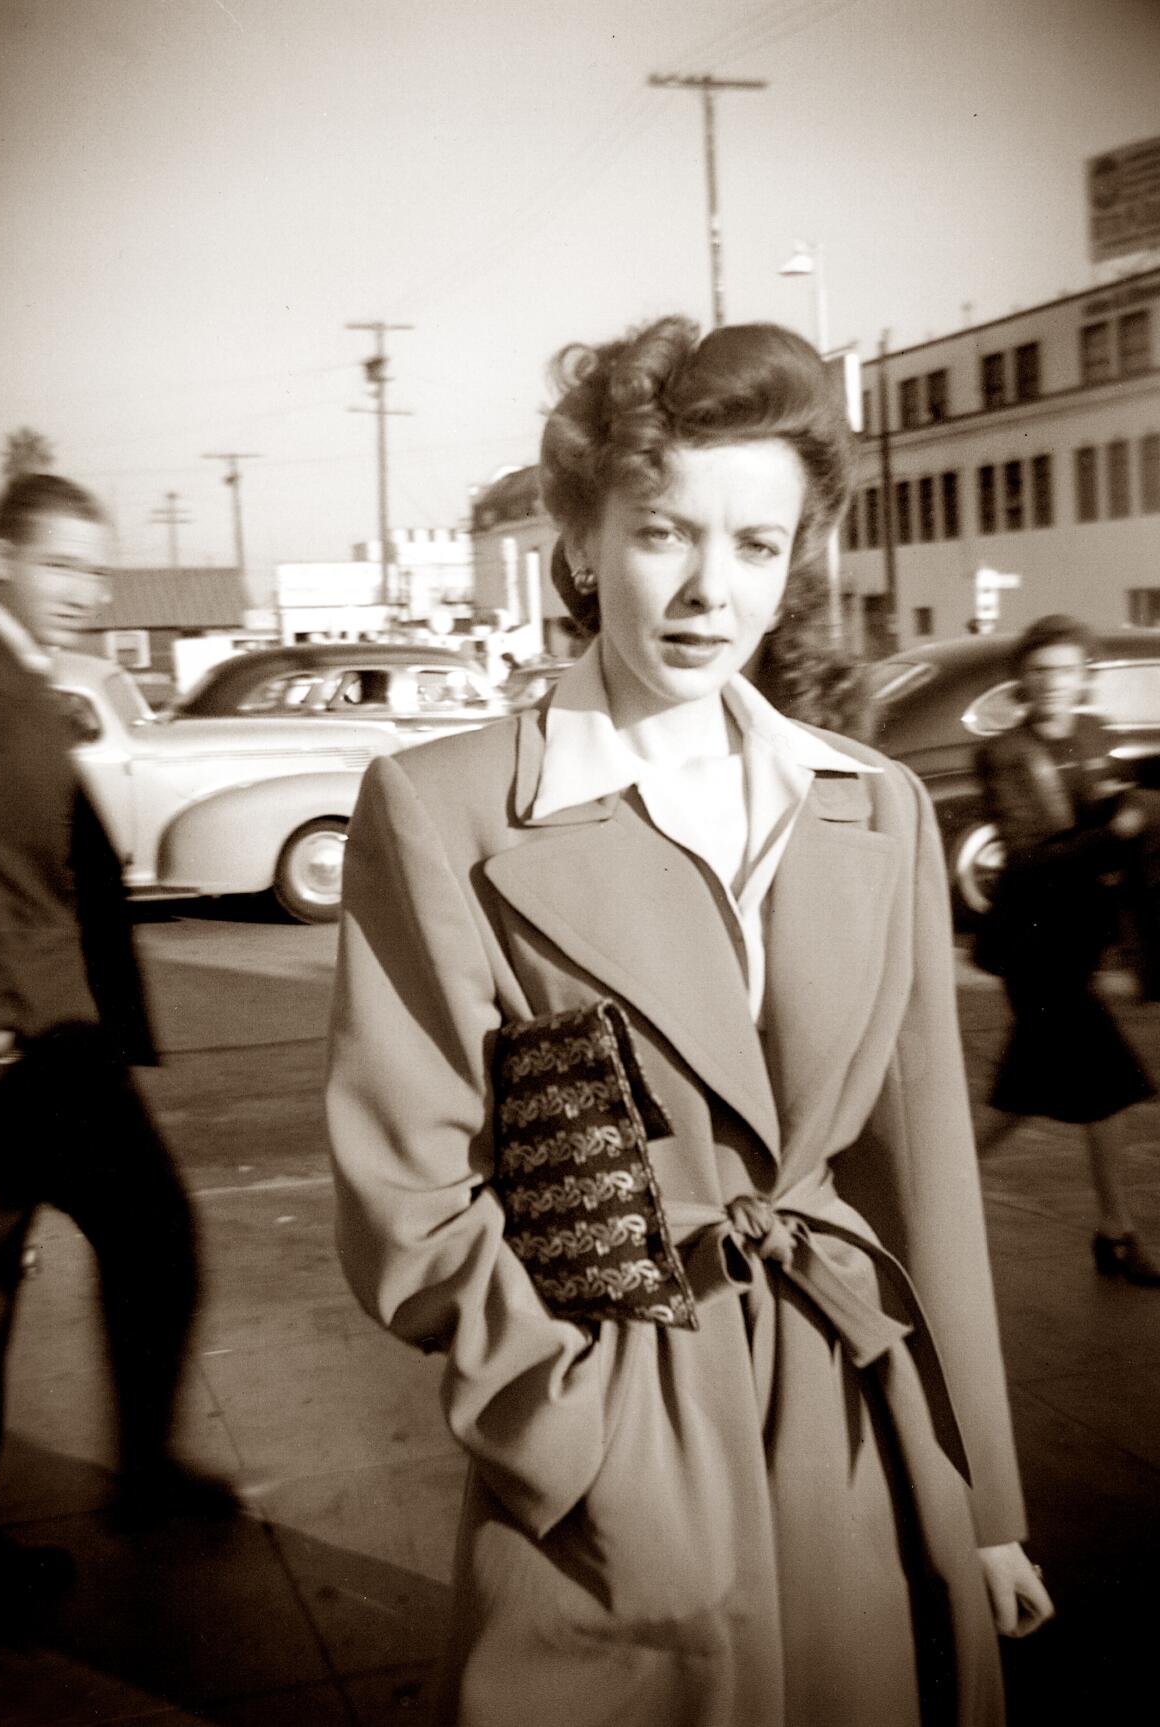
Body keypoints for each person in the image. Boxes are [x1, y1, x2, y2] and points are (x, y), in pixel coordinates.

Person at [327, 320, 1051, 1726]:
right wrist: (574, 1437)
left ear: (799, 559)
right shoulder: (449, 806)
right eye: (666, 532)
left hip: (857, 1419)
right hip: (621, 1438)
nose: (712, 590)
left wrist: (984, 1497)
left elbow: (921, 1179)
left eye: (759, 546)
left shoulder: (870, 802)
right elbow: (408, 1193)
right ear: (586, 540)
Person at [0, 473, 236, 1624]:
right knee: (142, 1237)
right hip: (21, 1045)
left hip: (28, 1034)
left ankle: (134, 1471)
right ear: (2, 557)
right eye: (62, 563)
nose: (84, 589)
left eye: (94, 566)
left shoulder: (8, 673)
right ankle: (140, 1471)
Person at [975, 613, 1160, 1285]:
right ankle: (1116, 1234)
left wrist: (1123, 808)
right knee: (1097, 1086)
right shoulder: (1004, 754)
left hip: (1074, 945)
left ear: (1083, 676)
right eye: (1038, 670)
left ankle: (1113, 1233)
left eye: (1064, 670)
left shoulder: (1093, 734)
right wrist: (1118, 832)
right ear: (1022, 680)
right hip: (1035, 948)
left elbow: (1103, 806)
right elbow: (1026, 862)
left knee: (1033, 1096)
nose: (1051, 683)